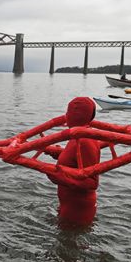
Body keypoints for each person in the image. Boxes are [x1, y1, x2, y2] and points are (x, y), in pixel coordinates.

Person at [47, 97, 101, 227]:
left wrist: (62, 178)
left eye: (68, 112)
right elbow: (75, 159)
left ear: (74, 115)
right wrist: (56, 152)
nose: (65, 115)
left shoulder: (85, 140)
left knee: (71, 245)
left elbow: (92, 182)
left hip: (78, 209)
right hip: (69, 203)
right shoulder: (77, 136)